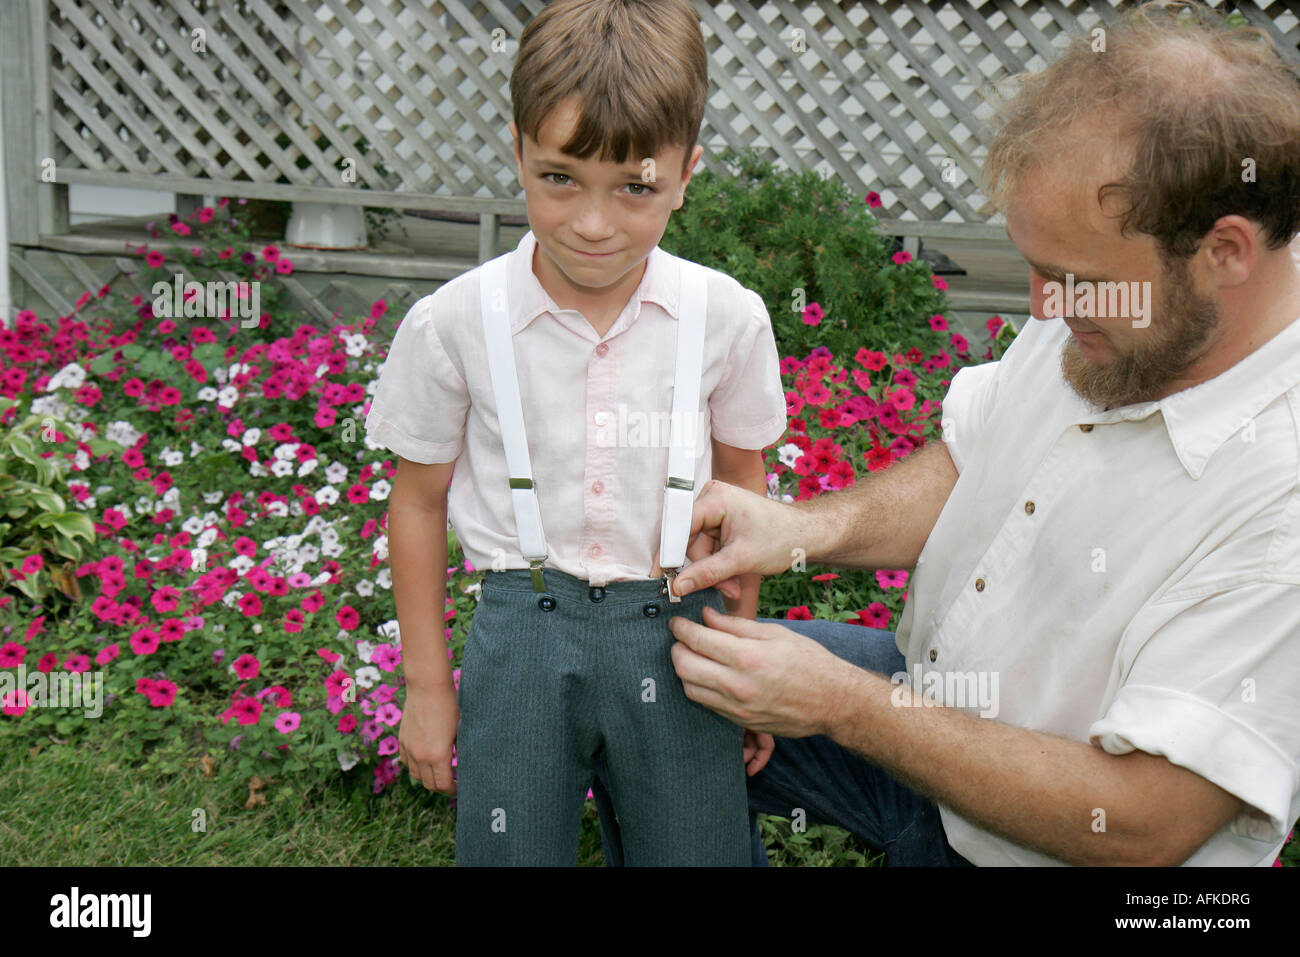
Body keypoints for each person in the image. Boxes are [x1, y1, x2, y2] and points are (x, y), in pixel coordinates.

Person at [662, 0, 1300, 866]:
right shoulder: (1116, 302)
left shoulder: (1283, 498)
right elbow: (978, 452)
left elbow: (1148, 819)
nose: (1043, 309)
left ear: (1226, 251)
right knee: (665, 686)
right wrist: (805, 530)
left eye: (1073, 281)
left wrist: (843, 705)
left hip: (1059, 848)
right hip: (922, 702)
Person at [364, 0, 787, 865]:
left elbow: (745, 496)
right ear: (519, 149)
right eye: (561, 177)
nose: (594, 224)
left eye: (635, 187)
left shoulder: (727, 319)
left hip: (680, 631)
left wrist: (744, 665)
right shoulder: (453, 323)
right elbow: (417, 503)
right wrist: (427, 686)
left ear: (686, 171)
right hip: (522, 630)